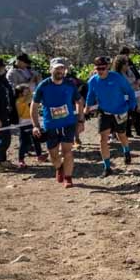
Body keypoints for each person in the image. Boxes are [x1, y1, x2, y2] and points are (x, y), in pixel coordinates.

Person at [85, 55, 139, 175]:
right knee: (103, 139)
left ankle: (126, 151)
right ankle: (107, 167)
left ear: (108, 67)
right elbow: (90, 95)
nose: (101, 71)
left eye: (103, 68)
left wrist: (132, 107)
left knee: (122, 135)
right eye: (98, 68)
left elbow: (130, 92)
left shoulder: (117, 78)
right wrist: (87, 108)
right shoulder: (93, 81)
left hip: (120, 111)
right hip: (104, 112)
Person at [31, 58, 81, 187]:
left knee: (67, 152)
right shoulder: (43, 85)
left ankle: (68, 178)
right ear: (50, 70)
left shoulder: (70, 84)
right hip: (51, 125)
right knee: (53, 155)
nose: (60, 71)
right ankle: (59, 168)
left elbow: (79, 101)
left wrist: (80, 120)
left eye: (62, 68)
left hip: (68, 123)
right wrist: (36, 126)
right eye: (57, 68)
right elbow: (34, 106)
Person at [7, 54, 47, 161]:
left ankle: (37, 151)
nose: (26, 64)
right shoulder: (12, 73)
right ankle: (24, 151)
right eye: (25, 62)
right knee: (24, 131)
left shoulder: (30, 70)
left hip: (33, 99)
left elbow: (38, 81)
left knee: (34, 128)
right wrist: (29, 83)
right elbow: (13, 88)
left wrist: (37, 79)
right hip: (22, 102)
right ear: (18, 61)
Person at [118, 46, 140, 138]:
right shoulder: (117, 68)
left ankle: (139, 130)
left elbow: (136, 73)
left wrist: (139, 80)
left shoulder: (130, 63)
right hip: (124, 93)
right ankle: (127, 131)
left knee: (136, 110)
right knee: (127, 113)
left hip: (135, 92)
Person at [13, 84, 37, 168]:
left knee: (32, 139)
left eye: (28, 90)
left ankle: (38, 155)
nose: (28, 92)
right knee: (23, 141)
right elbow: (23, 113)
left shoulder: (28, 99)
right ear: (20, 93)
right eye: (25, 91)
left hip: (30, 122)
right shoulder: (19, 101)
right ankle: (21, 159)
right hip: (23, 123)